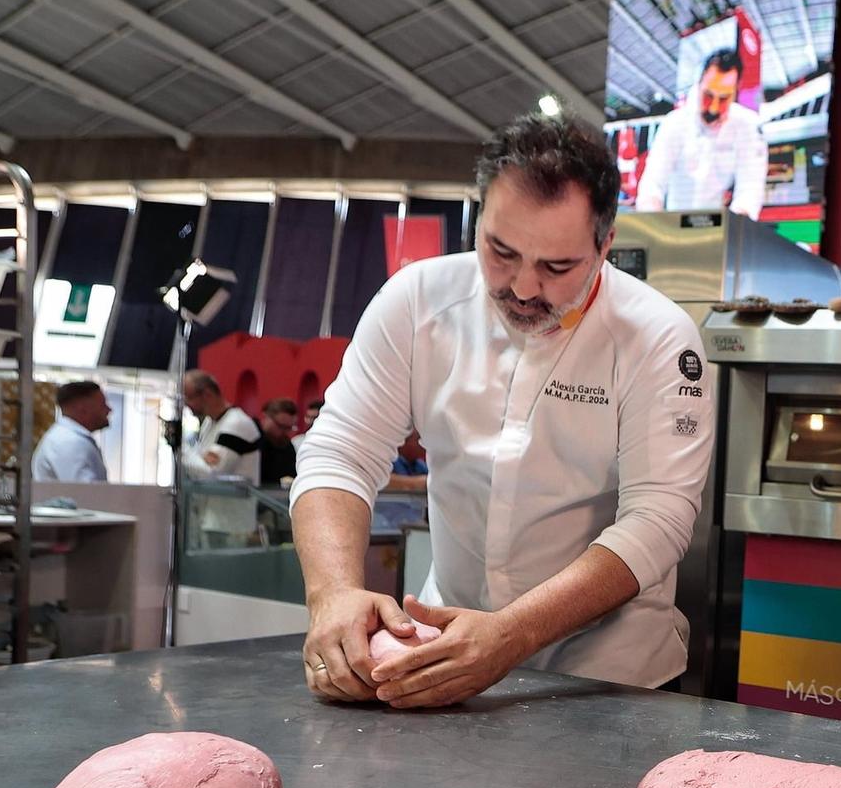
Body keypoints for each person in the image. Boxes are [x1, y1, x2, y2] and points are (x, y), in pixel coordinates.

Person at [292, 112, 715, 708]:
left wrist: (511, 633)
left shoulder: (658, 338)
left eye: (557, 267)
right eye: (501, 251)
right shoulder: (416, 302)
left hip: (610, 679)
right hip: (442, 657)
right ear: (479, 216)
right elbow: (340, 452)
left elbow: (658, 519)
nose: (522, 288)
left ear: (606, 245)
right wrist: (332, 594)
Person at [632, 48, 768, 219]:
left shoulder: (747, 126)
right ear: (699, 84)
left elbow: (750, 189)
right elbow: (653, 183)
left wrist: (736, 226)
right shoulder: (674, 123)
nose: (713, 108)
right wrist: (652, 221)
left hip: (718, 227)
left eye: (723, 98)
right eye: (708, 95)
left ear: (736, 91)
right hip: (673, 223)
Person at [179, 370, 260, 483]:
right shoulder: (209, 422)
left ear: (207, 394)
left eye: (189, 398)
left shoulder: (236, 424)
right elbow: (202, 464)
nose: (186, 404)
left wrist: (181, 449)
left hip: (236, 494)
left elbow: (211, 473)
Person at [32, 380, 109, 482]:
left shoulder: (68, 438)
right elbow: (85, 489)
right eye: (102, 405)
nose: (109, 410)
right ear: (83, 408)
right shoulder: (67, 442)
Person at [258, 398, 300, 488]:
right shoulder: (254, 440)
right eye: (281, 426)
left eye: (289, 428)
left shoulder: (286, 446)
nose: (284, 432)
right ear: (266, 417)